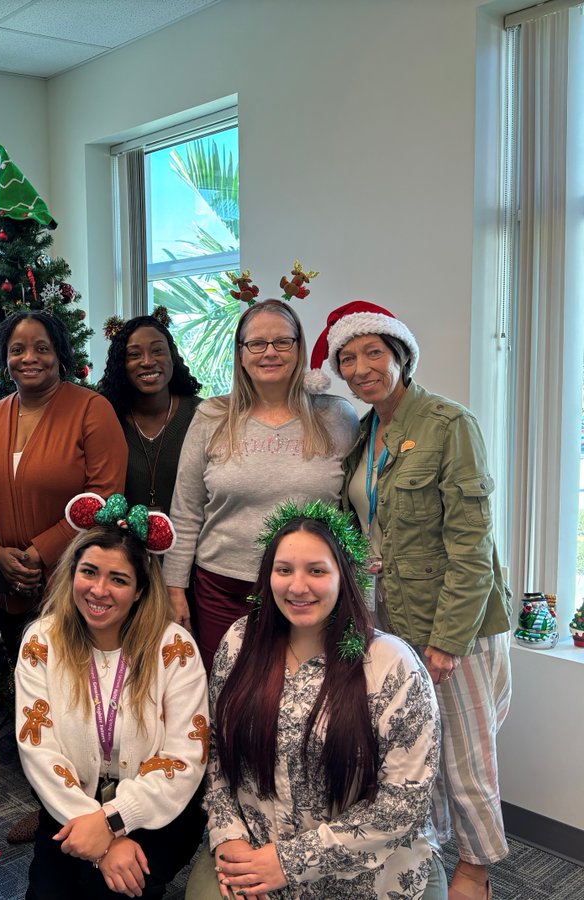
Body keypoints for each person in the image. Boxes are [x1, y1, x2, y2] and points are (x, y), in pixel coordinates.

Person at [314, 300, 512, 900]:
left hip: (456, 621)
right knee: (407, 743)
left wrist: (448, 641)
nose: (361, 367)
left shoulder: (450, 425)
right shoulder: (363, 432)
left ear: (401, 354)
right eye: (347, 358)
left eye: (373, 352)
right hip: (387, 617)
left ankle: (476, 866)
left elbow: (473, 545)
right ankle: (423, 844)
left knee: (465, 756)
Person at [189, 501, 441, 900]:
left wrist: (290, 862)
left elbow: (403, 802)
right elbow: (215, 748)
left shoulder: (392, 665)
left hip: (364, 875)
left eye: (317, 571)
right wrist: (228, 838)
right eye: (284, 570)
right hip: (254, 854)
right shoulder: (240, 642)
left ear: (344, 576)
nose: (297, 586)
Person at [16, 496, 208, 900]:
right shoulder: (42, 641)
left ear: (140, 590)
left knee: (111, 891)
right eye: (89, 572)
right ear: (72, 575)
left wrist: (113, 823)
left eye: (118, 579)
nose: (99, 590)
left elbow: (184, 759)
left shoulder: (175, 648)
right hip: (69, 806)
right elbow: (39, 750)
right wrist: (101, 838)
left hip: (157, 812)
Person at [162, 275, 358, 669]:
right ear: (241, 352)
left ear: (299, 347)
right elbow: (186, 509)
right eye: (257, 343)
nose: (270, 352)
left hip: (309, 590)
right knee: (228, 698)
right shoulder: (212, 417)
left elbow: (354, 509)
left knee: (300, 699)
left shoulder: (337, 417)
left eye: (282, 341)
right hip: (222, 587)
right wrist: (175, 588)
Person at [0, 310, 126, 665]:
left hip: (76, 586)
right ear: (4, 357)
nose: (29, 358)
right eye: (17, 349)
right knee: (28, 689)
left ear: (59, 354)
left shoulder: (91, 409)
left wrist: (38, 554)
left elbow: (105, 498)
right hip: (9, 589)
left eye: (41, 348)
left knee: (75, 694)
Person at [97, 308, 203, 512]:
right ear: (122, 365)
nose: (147, 361)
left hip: (191, 540)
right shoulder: (107, 419)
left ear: (172, 357)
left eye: (157, 351)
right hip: (122, 540)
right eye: (134, 354)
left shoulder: (203, 414)